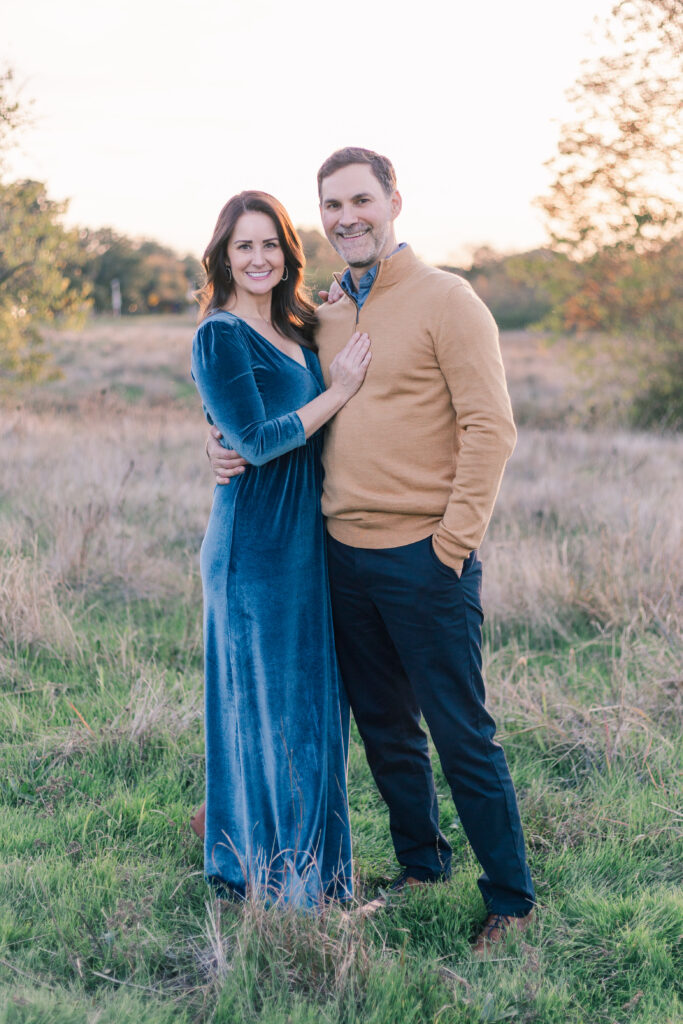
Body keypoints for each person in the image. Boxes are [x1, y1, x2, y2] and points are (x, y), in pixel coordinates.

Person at [208, 149, 536, 953]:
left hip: (424, 556)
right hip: (338, 559)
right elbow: (271, 401)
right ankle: (421, 867)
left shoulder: (447, 300)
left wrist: (451, 543)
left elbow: (491, 429)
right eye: (331, 205)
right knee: (386, 729)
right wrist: (217, 444)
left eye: (360, 199)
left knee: (462, 732)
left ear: (393, 200)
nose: (346, 216)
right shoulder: (322, 314)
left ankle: (511, 899)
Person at [191, 189, 371, 908]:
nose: (258, 257)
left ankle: (313, 877)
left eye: (270, 244)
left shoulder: (297, 327)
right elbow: (259, 441)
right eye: (244, 246)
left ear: (286, 254)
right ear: (223, 256)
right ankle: (283, 888)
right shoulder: (218, 334)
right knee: (271, 712)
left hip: (304, 541)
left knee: (311, 712)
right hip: (254, 548)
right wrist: (340, 390)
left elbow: (254, 421)